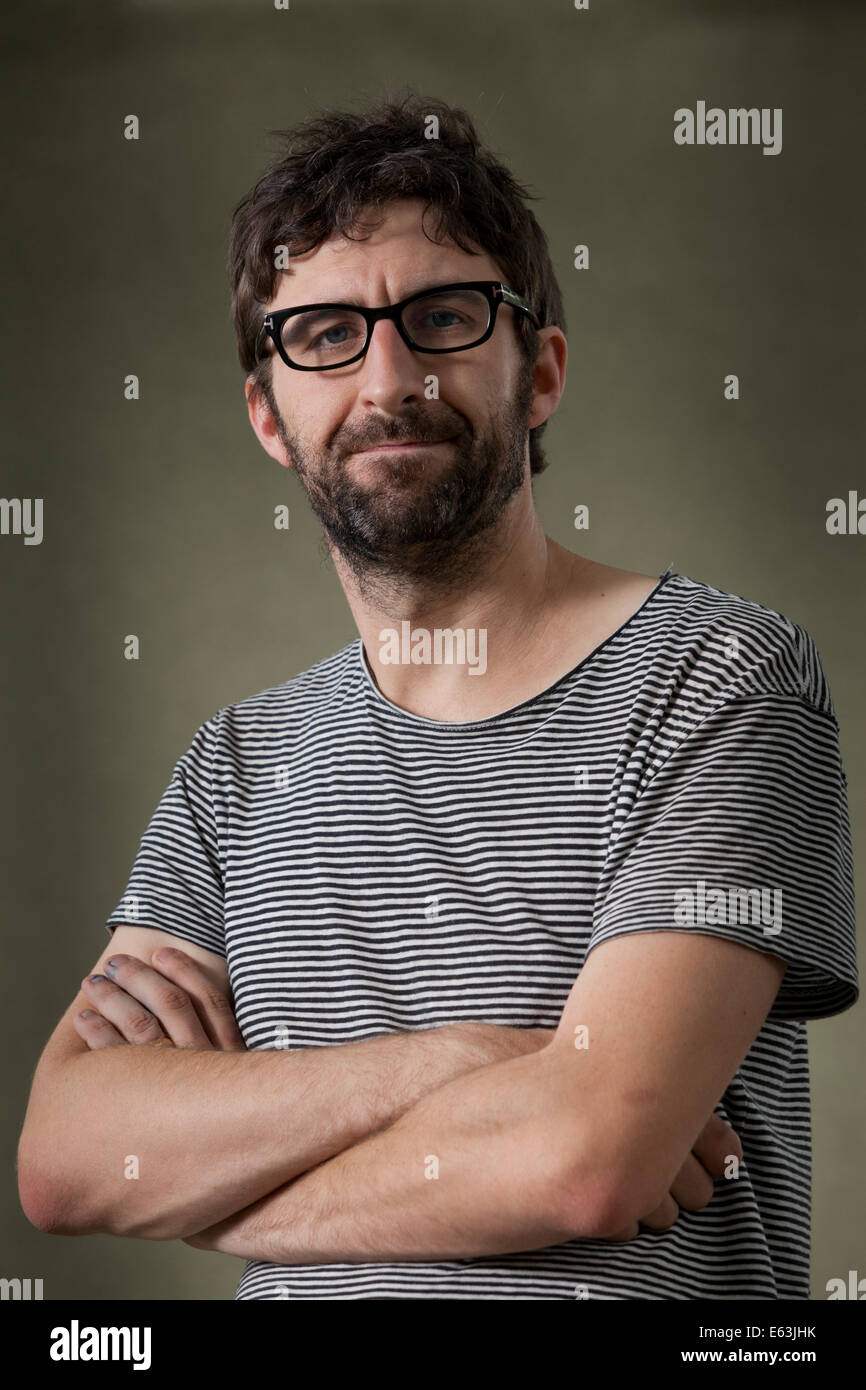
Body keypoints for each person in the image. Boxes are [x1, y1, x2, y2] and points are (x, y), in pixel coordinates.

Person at [18, 94, 857, 1301]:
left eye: (443, 316)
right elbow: (67, 1157)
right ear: (268, 412)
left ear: (540, 372)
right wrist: (467, 1061)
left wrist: (212, 1200)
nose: (388, 375)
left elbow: (583, 1162)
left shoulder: (719, 679)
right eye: (322, 333)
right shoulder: (236, 765)